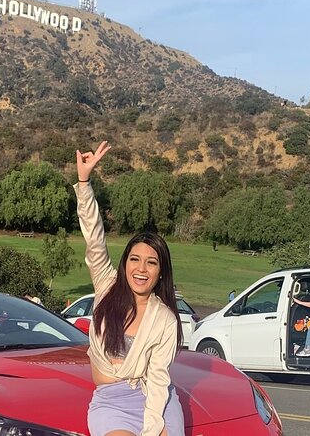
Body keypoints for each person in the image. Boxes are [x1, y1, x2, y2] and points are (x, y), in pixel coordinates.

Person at [74, 141, 184, 436]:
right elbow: (94, 239)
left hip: (155, 399)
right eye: (134, 259)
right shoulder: (107, 286)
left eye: (151, 263)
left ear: (161, 273)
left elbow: (159, 380)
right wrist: (84, 183)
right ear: (124, 263)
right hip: (112, 403)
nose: (141, 269)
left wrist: (153, 429)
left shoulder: (165, 320)